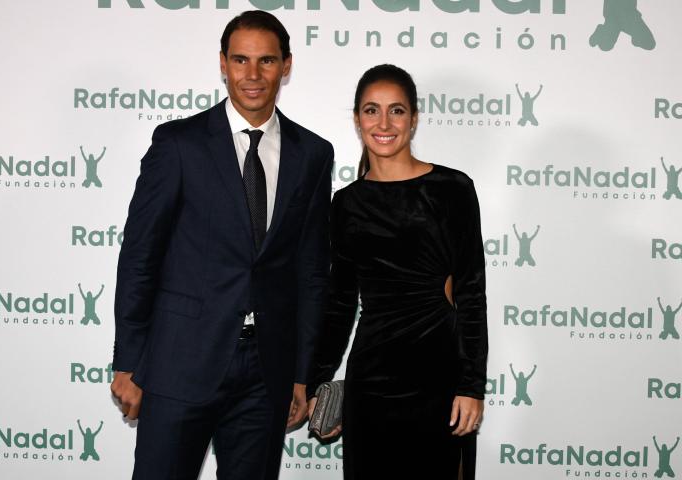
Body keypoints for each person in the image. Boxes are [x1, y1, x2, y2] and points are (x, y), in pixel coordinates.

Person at [110, 10, 334, 480]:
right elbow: (139, 257)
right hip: (179, 361)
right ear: (222, 64)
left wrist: (302, 374)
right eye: (240, 60)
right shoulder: (179, 144)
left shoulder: (313, 153)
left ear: (286, 66)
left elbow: (311, 272)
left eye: (266, 60)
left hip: (266, 372)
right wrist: (128, 362)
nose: (252, 74)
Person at [307, 64, 487, 479]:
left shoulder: (453, 190)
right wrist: (317, 381)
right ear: (357, 119)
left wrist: (470, 386)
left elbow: (471, 294)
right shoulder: (346, 204)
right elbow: (339, 304)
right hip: (371, 382)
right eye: (372, 110)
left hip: (439, 378)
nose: (384, 123)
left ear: (414, 118)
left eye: (397, 111)